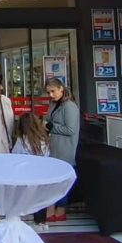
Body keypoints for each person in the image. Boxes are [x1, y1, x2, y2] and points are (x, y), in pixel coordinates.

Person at [39, 78, 81, 223]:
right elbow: (47, 119)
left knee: (62, 180)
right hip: (54, 147)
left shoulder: (69, 106)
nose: (51, 95)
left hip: (65, 149)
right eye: (48, 92)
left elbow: (71, 130)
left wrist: (50, 127)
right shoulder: (54, 104)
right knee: (54, 179)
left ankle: (59, 208)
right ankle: (55, 207)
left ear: (61, 88)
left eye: (53, 91)